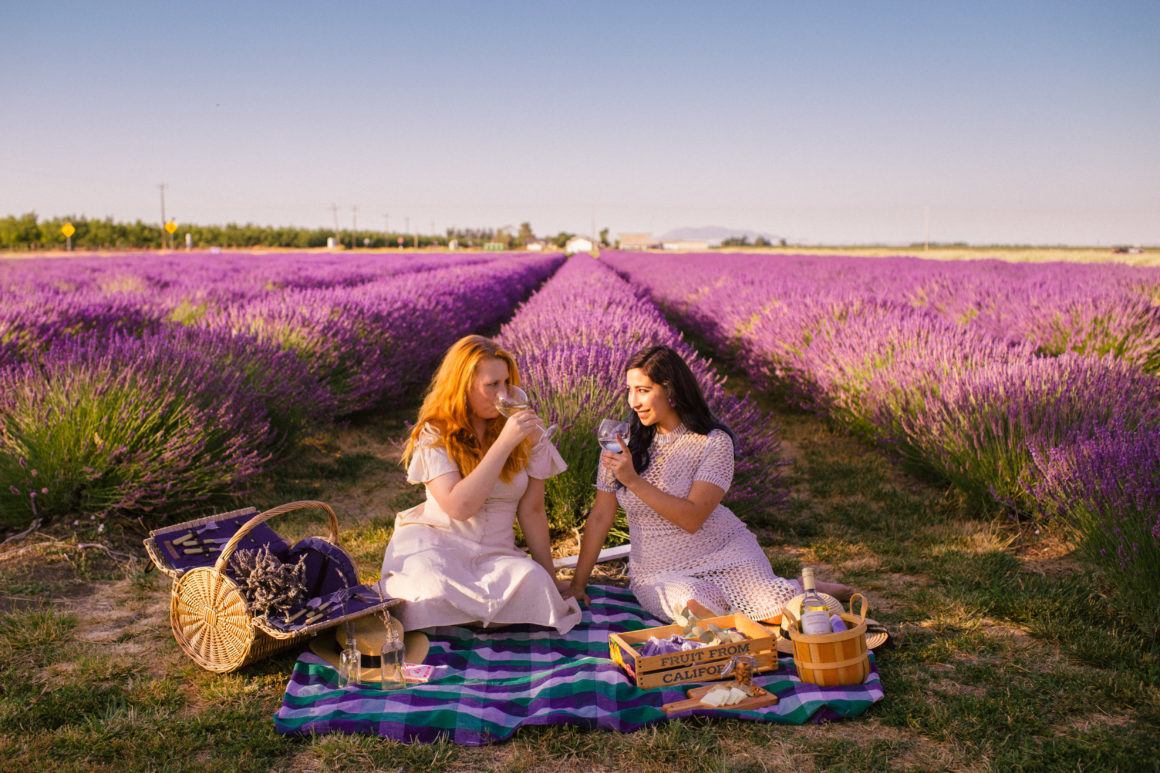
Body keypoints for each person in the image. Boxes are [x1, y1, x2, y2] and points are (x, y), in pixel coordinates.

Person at [569, 344, 850, 622]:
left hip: (724, 550)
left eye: (643, 390)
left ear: (671, 390)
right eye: (630, 390)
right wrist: (577, 585)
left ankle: (793, 588)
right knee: (697, 613)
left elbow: (692, 518)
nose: (633, 402)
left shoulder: (713, 442)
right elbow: (601, 516)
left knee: (780, 612)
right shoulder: (621, 444)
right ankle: (786, 590)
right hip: (659, 572)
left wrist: (632, 480)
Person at [378, 335, 581, 634]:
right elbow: (460, 507)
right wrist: (504, 443)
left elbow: (533, 511)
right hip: (439, 544)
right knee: (429, 583)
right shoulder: (435, 433)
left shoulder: (527, 433)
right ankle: (465, 616)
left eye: (506, 383)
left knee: (533, 582)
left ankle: (455, 619)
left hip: (496, 554)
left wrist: (549, 576)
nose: (503, 394)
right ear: (463, 388)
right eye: (492, 385)